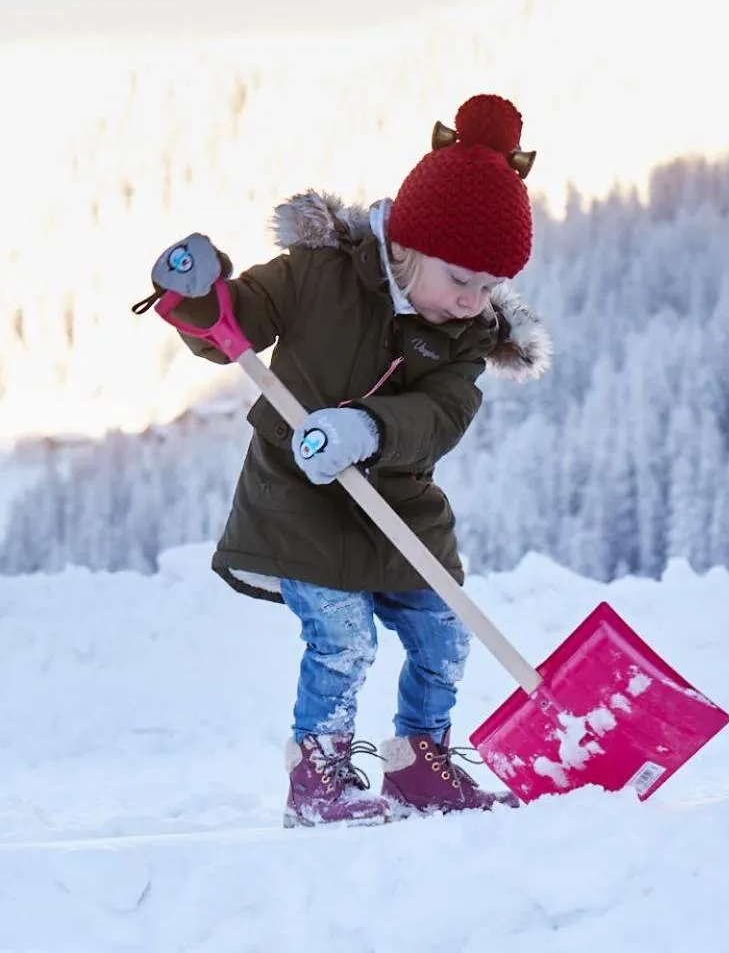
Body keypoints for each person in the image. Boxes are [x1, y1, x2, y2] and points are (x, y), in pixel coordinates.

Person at [150, 94, 551, 827]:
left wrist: (368, 428)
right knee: (342, 637)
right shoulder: (318, 273)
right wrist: (199, 300)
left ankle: (417, 764)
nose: (472, 302)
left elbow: (442, 414)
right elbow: (237, 325)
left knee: (442, 629)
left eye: (488, 286)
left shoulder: (466, 335)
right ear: (406, 247)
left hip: (399, 505)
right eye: (461, 279)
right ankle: (320, 777)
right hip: (296, 500)